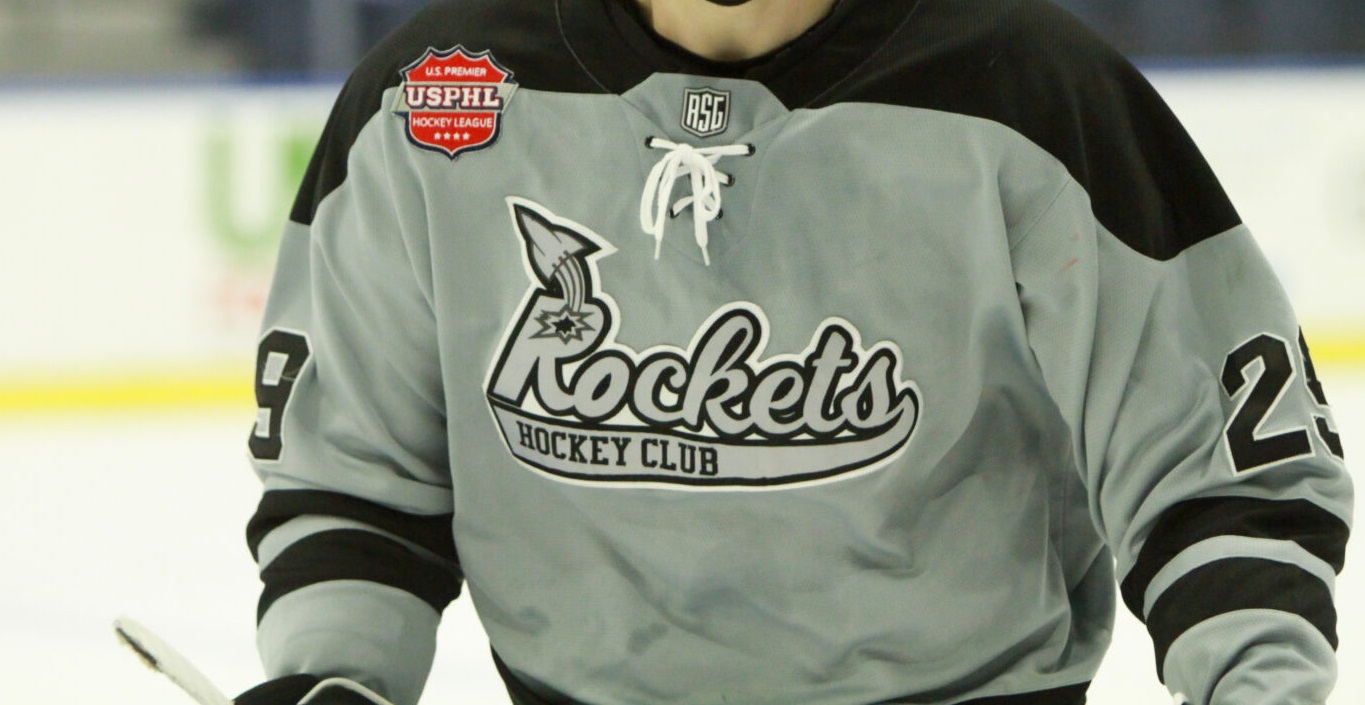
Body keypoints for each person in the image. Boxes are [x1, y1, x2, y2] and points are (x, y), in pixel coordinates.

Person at [234, 0, 1353, 704]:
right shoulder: (428, 101)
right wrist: (336, 677)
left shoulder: (1035, 95)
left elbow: (1215, 480)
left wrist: (1260, 687)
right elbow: (355, 488)